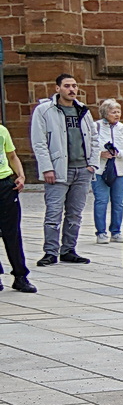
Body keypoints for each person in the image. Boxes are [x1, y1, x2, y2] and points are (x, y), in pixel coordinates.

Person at [30, 73, 102, 266]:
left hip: (82, 170)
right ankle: (50, 252)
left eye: (74, 86)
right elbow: (39, 142)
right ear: (57, 88)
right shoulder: (45, 111)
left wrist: (92, 164)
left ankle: (69, 249)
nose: (72, 90)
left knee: (75, 213)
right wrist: (47, 168)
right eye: (67, 86)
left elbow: (94, 139)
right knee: (53, 213)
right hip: (58, 169)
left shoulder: (83, 112)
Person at [89, 99, 123, 243]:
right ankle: (101, 233)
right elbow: (87, 148)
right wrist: (100, 154)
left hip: (119, 171)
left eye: (118, 111)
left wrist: (119, 153)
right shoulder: (95, 127)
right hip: (100, 171)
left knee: (118, 202)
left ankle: (116, 231)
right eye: (113, 112)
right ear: (105, 113)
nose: (117, 114)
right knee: (101, 201)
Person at [0, 120, 33, 292]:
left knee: (12, 233)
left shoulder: (2, 130)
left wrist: (20, 175)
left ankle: (20, 276)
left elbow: (12, 156)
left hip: (4, 184)